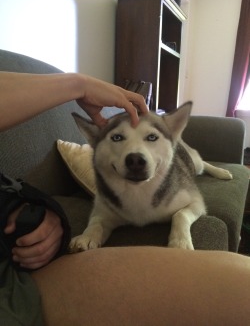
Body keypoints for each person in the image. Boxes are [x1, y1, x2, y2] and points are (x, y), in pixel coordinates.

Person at [1, 71, 250, 326]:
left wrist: (182, 221)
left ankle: (207, 166)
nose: (135, 155)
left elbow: (194, 204)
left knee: (196, 163)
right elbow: (101, 219)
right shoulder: (108, 191)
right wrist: (93, 232)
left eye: (151, 137)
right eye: (118, 138)